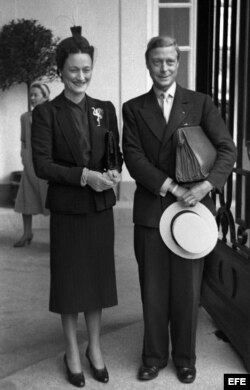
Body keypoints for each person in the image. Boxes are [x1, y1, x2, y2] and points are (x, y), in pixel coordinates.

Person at [122, 36, 236, 384]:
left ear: (178, 62)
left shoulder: (201, 103)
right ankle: (153, 357)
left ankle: (185, 359)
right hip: (153, 210)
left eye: (170, 61)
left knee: (188, 289)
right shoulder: (133, 108)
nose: (164, 68)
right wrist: (171, 186)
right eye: (157, 61)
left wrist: (205, 186)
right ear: (147, 63)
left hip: (193, 212)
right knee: (153, 288)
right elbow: (133, 157)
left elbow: (226, 149)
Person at [31, 26, 122, 388]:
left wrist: (114, 172)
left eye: (86, 70)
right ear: (60, 72)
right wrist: (85, 175)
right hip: (69, 210)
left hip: (100, 208)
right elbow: (43, 165)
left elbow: (115, 154)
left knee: (97, 283)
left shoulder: (104, 109)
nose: (81, 77)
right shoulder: (46, 114)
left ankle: (94, 349)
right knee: (70, 285)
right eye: (73, 70)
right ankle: (72, 351)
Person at [14, 82, 50, 247]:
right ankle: (27, 233)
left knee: (50, 200)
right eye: (31, 95)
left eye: (36, 95)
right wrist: (24, 156)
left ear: (45, 96)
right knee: (25, 199)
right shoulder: (24, 117)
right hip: (28, 165)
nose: (33, 98)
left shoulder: (52, 115)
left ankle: (57, 238)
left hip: (47, 165)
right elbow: (23, 140)